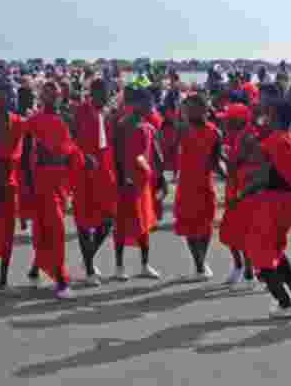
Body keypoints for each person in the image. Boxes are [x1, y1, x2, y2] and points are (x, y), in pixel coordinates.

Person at [231, 99, 291, 319]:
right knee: (273, 248)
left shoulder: (274, 142)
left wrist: (243, 193)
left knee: (258, 251)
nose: (264, 116)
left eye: (268, 112)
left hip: (274, 202)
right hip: (288, 202)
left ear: (275, 117)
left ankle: (284, 303)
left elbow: (263, 174)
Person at [21, 80, 86, 299]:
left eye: (55, 94)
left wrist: (84, 159)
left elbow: (71, 149)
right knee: (55, 230)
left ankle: (35, 269)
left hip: (61, 183)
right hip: (41, 183)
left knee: (46, 230)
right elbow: (25, 154)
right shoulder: (33, 121)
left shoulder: (66, 119)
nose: (51, 98)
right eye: (47, 94)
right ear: (41, 97)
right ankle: (61, 282)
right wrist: (27, 186)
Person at [112, 86, 165, 281]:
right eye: (146, 102)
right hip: (126, 185)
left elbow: (156, 154)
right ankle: (119, 266)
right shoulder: (122, 126)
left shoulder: (148, 126)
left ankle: (144, 265)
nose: (150, 106)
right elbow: (118, 156)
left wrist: (160, 180)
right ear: (134, 104)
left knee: (145, 224)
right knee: (122, 225)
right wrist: (121, 179)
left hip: (144, 184)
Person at [172, 93, 225, 280]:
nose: (186, 112)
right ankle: (200, 265)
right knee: (189, 226)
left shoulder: (214, 132)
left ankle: (201, 264)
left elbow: (216, 163)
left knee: (205, 225)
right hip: (186, 185)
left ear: (203, 110)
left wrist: (230, 176)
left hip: (204, 185)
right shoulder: (182, 129)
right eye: (186, 109)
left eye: (190, 109)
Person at [70, 78, 117, 286]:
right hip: (83, 172)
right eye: (103, 93)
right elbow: (69, 138)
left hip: (104, 174)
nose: (107, 97)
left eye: (108, 93)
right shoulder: (81, 111)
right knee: (83, 222)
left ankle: (87, 258)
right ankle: (89, 270)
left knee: (108, 220)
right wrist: (82, 155)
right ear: (94, 93)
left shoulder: (107, 113)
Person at [0, 76, 25, 291]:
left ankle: (3, 278)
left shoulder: (18, 122)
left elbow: (24, 157)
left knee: (8, 233)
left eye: (7, 92)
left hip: (10, 182)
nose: (3, 96)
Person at [217, 103, 259, 286]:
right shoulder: (238, 136)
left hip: (244, 191)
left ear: (238, 120)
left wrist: (222, 155)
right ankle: (240, 267)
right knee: (230, 231)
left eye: (228, 120)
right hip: (235, 187)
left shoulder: (248, 136)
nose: (224, 123)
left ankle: (249, 271)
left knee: (242, 231)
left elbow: (238, 163)